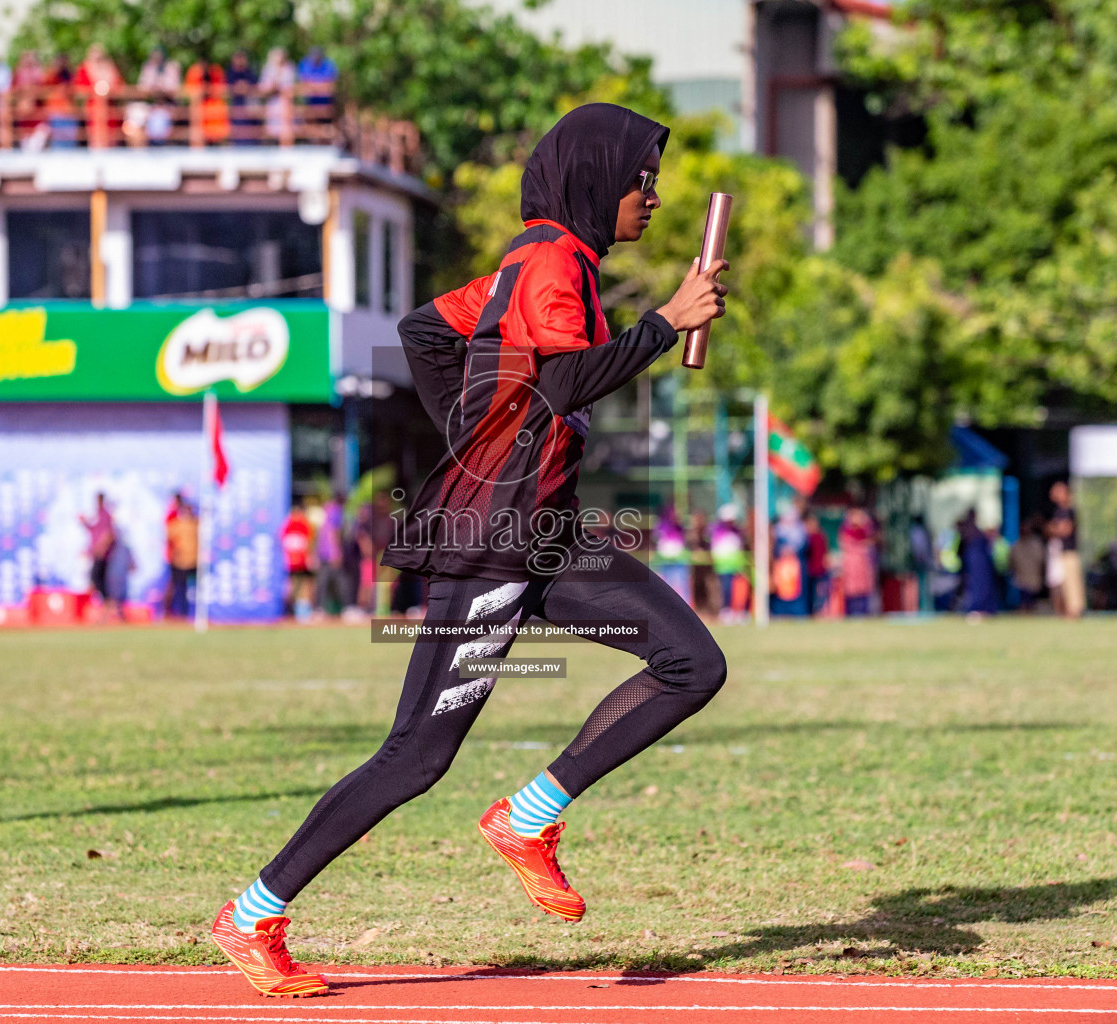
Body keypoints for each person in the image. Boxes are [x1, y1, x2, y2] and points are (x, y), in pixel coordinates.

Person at [208, 103, 728, 998]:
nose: (652, 196)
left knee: (691, 662)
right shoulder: (551, 260)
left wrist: (473, 420)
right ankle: (252, 913)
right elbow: (564, 377)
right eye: (642, 179)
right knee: (415, 756)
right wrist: (665, 323)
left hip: (546, 536)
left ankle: (529, 818)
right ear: (597, 178)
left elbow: (426, 330)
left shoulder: (545, 267)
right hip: (490, 543)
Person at [1046, 481, 1084, 619]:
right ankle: (1067, 608)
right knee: (1061, 582)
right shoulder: (1058, 511)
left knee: (1072, 582)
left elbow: (1065, 529)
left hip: (1070, 551)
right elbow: (1051, 529)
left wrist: (1055, 528)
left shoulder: (1069, 510)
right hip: (1060, 551)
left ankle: (1075, 609)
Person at [710, 504, 748, 623]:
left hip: (737, 566)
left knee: (739, 589)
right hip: (724, 567)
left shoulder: (737, 532)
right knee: (726, 589)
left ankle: (738, 611)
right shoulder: (718, 532)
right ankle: (726, 611)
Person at [957, 509, 998, 618]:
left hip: (980, 562)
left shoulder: (977, 532)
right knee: (975, 586)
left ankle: (984, 608)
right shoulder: (969, 530)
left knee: (983, 586)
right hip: (974, 561)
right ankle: (976, 608)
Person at [164, 493, 198, 619]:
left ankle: (188, 614)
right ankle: (175, 613)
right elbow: (170, 540)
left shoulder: (195, 524)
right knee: (178, 589)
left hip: (193, 561)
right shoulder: (175, 524)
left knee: (192, 589)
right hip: (178, 561)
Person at [839, 507, 878, 616]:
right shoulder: (847, 532)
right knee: (851, 591)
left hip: (862, 566)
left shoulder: (865, 531)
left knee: (863, 591)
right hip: (852, 566)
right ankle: (852, 612)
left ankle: (863, 612)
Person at [280, 504, 315, 620]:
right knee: (302, 586)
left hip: (292, 562)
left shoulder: (288, 524)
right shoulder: (302, 524)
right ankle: (299, 612)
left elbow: (282, 540)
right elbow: (308, 543)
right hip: (300, 561)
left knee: (294, 586)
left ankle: (291, 611)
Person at [80, 492, 116, 606]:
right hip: (96, 552)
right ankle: (105, 605)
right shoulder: (98, 514)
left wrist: (102, 548)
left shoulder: (105, 514)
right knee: (96, 579)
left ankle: (109, 604)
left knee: (97, 579)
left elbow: (109, 534)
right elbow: (93, 529)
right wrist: (84, 522)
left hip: (101, 553)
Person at [652, 506, 691, 605]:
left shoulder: (681, 527)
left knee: (682, 584)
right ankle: (667, 605)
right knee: (667, 584)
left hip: (679, 560)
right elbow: (656, 540)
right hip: (665, 560)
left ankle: (685, 606)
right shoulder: (661, 525)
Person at [258, 47, 296, 144]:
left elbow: (290, 87)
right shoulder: (268, 69)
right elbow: (264, 88)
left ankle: (286, 149)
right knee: (272, 130)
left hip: (285, 103)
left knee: (286, 127)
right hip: (273, 102)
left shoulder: (289, 68)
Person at [1010, 515, 1046, 612]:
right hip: (1022, 577)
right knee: (1024, 597)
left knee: (1031, 598)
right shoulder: (1016, 545)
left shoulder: (1036, 543)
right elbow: (1012, 562)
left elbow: (1041, 559)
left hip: (1033, 576)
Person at [295, 45, 337, 121]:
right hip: (309, 97)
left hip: (325, 97)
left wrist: (315, 86)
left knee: (326, 113)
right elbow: (303, 80)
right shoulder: (305, 63)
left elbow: (331, 81)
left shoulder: (328, 64)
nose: (315, 58)